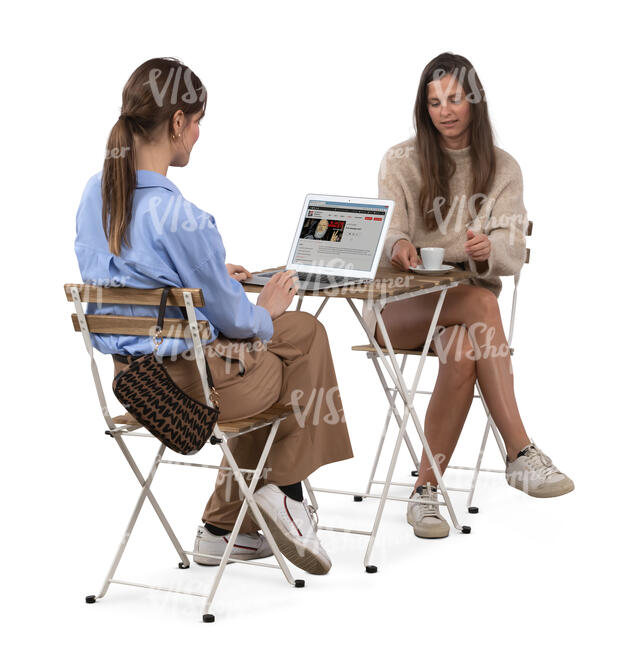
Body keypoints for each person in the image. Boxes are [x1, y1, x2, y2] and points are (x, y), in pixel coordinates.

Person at [74, 57, 353, 574]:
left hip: (133, 381)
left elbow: (126, 280)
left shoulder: (97, 194)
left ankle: (222, 531)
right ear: (178, 122)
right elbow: (238, 323)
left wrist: (201, 279)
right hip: (191, 389)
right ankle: (285, 493)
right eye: (198, 121)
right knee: (301, 335)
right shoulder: (183, 217)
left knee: (261, 356)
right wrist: (262, 307)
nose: (198, 134)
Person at [373, 52, 573, 539]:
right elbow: (387, 231)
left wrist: (486, 251)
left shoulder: (503, 168)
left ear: (474, 100)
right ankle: (520, 451)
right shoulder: (401, 160)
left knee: (462, 349)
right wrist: (401, 246)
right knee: (481, 301)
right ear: (425, 108)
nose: (445, 110)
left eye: (455, 99)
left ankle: (424, 492)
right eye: (435, 101)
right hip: (400, 307)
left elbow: (510, 251)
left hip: (463, 321)